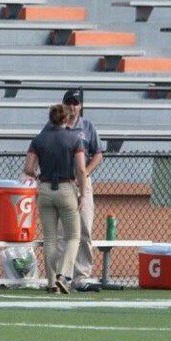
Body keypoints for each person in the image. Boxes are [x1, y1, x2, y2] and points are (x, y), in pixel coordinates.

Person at [23, 103, 87, 294]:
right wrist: (83, 192)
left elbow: (28, 168)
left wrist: (38, 177)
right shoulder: (74, 138)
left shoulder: (38, 139)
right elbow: (81, 169)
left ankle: (51, 283)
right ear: (66, 119)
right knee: (73, 236)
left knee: (50, 238)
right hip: (66, 187)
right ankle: (63, 274)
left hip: (45, 189)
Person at [62, 88, 104, 290]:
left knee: (85, 228)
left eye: (75, 103)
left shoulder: (87, 127)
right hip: (62, 182)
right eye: (69, 102)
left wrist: (84, 174)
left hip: (82, 183)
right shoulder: (56, 127)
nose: (72, 106)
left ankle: (82, 275)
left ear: (81, 105)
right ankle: (63, 275)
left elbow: (98, 154)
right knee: (63, 231)